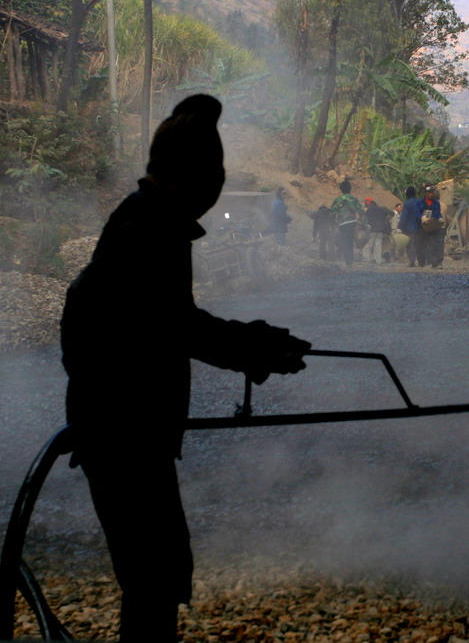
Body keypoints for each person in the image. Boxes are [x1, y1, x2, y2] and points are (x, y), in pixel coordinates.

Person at [59, 95, 311, 642]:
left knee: (155, 572)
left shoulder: (143, 217)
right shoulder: (151, 228)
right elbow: (174, 326)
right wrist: (256, 346)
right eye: (216, 172)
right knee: (157, 573)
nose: (218, 184)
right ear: (198, 176)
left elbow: (148, 320)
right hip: (124, 429)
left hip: (117, 423)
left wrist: (251, 344)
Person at [330, 180, 362, 266]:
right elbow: (361, 211)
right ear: (350, 189)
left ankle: (348, 261)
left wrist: (333, 223)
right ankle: (350, 259)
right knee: (350, 241)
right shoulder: (354, 199)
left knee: (345, 242)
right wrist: (365, 224)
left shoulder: (338, 200)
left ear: (341, 189)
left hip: (342, 223)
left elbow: (332, 213)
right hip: (352, 222)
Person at [397, 186, 424, 267]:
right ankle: (421, 261)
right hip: (420, 228)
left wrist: (400, 226)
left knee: (410, 245)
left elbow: (404, 216)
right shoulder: (419, 202)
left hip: (410, 228)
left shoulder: (407, 203)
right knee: (419, 245)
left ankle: (412, 262)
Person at [419, 183, 445, 268]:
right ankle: (423, 262)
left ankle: (434, 262)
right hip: (422, 226)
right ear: (425, 193)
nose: (430, 194)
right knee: (422, 245)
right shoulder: (420, 202)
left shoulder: (436, 203)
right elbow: (416, 213)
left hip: (432, 226)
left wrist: (440, 218)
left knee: (433, 244)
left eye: (431, 192)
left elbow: (438, 213)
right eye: (428, 193)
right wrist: (421, 217)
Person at [363, 198, 393, 264]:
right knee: (378, 246)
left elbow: (366, 220)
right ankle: (378, 260)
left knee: (369, 245)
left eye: (367, 205)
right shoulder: (381, 209)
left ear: (371, 204)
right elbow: (391, 213)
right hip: (380, 230)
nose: (367, 206)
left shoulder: (369, 210)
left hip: (372, 230)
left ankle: (367, 259)